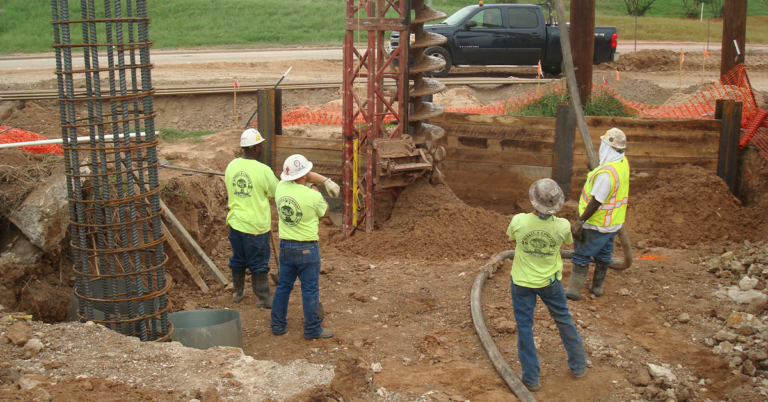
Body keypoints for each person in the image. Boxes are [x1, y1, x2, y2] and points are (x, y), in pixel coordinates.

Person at [224, 129, 340, 308]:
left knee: (237, 259)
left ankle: (238, 293)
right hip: (255, 225)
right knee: (259, 263)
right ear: (255, 148)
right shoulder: (262, 170)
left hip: (235, 221)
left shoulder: (231, 166)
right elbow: (273, 190)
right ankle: (263, 298)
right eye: (260, 145)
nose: (262, 147)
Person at [507, 179, 587, 392]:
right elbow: (569, 241)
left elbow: (511, 237)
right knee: (563, 319)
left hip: (522, 283)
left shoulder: (519, 221)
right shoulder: (562, 225)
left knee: (525, 328)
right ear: (556, 204)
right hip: (551, 282)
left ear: (533, 201)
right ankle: (579, 366)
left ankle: (531, 378)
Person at [271, 154, 334, 339]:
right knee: (309, 289)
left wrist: (320, 181)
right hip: (307, 249)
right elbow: (325, 211)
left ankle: (277, 325)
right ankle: (312, 329)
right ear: (305, 176)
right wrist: (320, 186)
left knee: (283, 286)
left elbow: (302, 176)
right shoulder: (313, 195)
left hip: (286, 247)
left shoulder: (280, 188)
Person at [566, 128, 630, 301]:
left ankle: (573, 289)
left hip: (596, 223)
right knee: (604, 255)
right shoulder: (622, 163)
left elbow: (596, 201)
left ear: (608, 147)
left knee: (582, 254)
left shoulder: (605, 176)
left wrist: (580, 221)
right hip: (613, 223)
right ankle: (598, 287)